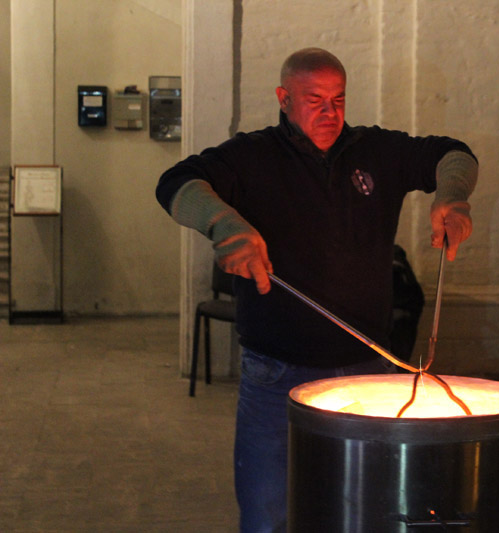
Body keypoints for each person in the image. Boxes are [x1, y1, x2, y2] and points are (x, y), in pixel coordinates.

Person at [155, 47, 478, 533]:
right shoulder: (253, 156)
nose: (330, 113)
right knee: (268, 510)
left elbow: (453, 154)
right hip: (276, 369)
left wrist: (453, 196)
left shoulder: (375, 151)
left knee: (365, 507)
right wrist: (224, 224)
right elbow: (175, 182)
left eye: (338, 99)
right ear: (284, 98)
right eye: (314, 100)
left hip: (366, 365)